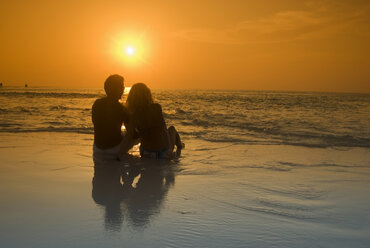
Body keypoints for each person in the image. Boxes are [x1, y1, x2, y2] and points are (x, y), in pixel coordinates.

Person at [118, 83, 184, 159]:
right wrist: (168, 150)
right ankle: (180, 145)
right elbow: (163, 130)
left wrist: (119, 155)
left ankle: (179, 145)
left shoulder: (132, 113)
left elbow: (129, 136)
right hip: (161, 153)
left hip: (145, 153)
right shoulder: (155, 108)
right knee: (172, 129)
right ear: (147, 94)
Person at [92, 74, 136, 159]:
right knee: (137, 136)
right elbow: (131, 133)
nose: (123, 89)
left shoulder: (97, 104)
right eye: (122, 86)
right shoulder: (121, 108)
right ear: (118, 89)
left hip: (97, 148)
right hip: (114, 149)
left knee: (121, 133)